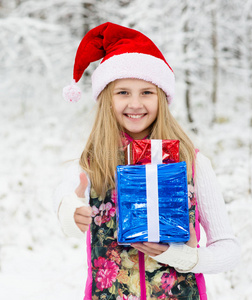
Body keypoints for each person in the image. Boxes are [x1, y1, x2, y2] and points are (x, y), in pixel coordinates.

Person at [55, 22, 240, 300]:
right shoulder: (94, 162)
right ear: (107, 98)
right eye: (123, 92)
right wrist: (70, 209)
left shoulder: (192, 162)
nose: (135, 104)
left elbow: (229, 251)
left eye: (146, 92)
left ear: (162, 98)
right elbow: (64, 198)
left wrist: (186, 257)